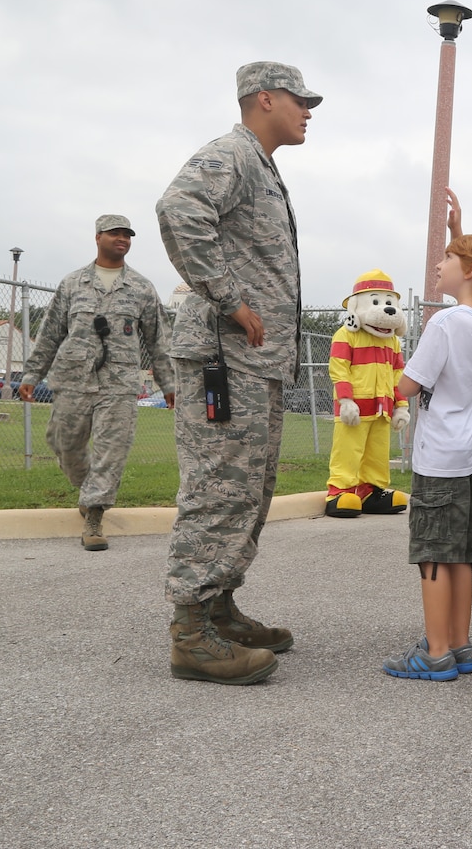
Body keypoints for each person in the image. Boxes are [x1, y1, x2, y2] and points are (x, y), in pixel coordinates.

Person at [154, 60, 318, 686]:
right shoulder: (233, 154)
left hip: (255, 364)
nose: (308, 113)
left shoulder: (261, 165)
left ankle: (218, 607)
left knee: (248, 489)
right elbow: (179, 208)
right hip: (227, 358)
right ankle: (191, 632)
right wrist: (229, 297)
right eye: (300, 101)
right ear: (264, 98)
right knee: (219, 488)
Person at [383, 201, 472, 682]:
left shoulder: (444, 324)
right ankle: (460, 644)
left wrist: (390, 364)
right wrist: (459, 230)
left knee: (434, 555)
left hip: (441, 457)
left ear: (471, 270)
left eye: (449, 258)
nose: (439, 263)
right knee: (462, 553)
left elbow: (409, 386)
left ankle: (435, 653)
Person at [21, 214, 174, 551]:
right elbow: (49, 335)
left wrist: (169, 385)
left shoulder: (141, 288)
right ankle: (89, 488)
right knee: (63, 443)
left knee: (111, 452)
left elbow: (159, 341)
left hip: (118, 385)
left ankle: (94, 513)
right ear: (97, 237)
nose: (122, 239)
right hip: (73, 380)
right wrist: (32, 374)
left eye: (127, 235)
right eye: (114, 234)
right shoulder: (73, 283)